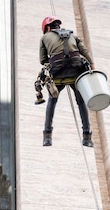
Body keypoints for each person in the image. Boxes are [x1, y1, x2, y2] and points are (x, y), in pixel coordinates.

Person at [39, 16, 94, 147]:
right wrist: (92, 65)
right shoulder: (72, 34)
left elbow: (42, 60)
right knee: (81, 102)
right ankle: (87, 138)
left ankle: (47, 137)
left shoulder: (44, 37)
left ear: (47, 28)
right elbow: (84, 51)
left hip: (57, 75)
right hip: (76, 72)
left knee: (52, 101)